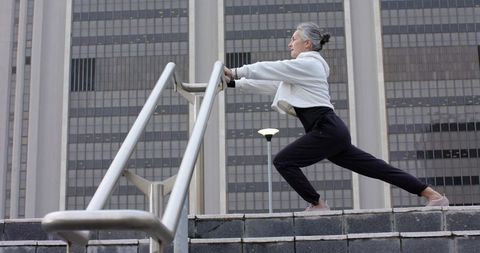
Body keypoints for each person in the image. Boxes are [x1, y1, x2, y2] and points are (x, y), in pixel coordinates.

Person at [223, 22, 449, 211]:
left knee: (284, 160)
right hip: (330, 132)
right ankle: (433, 196)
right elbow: (270, 84)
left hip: (327, 129)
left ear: (307, 44)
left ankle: (317, 203)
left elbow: (273, 68)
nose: (290, 43)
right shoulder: (301, 70)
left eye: (294, 39)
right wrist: (233, 82)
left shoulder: (309, 64)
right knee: (377, 168)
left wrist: (237, 70)